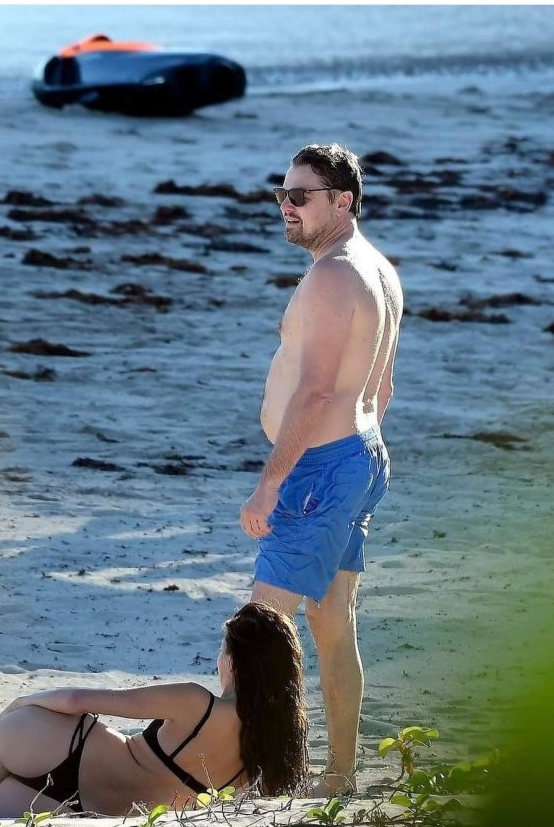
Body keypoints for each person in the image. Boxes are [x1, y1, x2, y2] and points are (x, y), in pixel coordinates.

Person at [239, 143, 403, 796]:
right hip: (358, 457)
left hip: (320, 472)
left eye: (300, 196)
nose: (287, 206)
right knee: (333, 621)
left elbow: (313, 394)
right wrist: (354, 462)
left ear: (343, 201)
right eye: (282, 194)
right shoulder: (379, 268)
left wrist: (271, 484)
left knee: (257, 632)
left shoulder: (335, 275)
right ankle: (337, 774)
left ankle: (247, 777)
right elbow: (381, 386)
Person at [0, 603, 308, 816]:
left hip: (61, 745)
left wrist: (23, 703)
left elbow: (79, 701)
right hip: (75, 806)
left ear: (235, 660)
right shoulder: (268, 754)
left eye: (222, 650)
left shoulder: (195, 701)